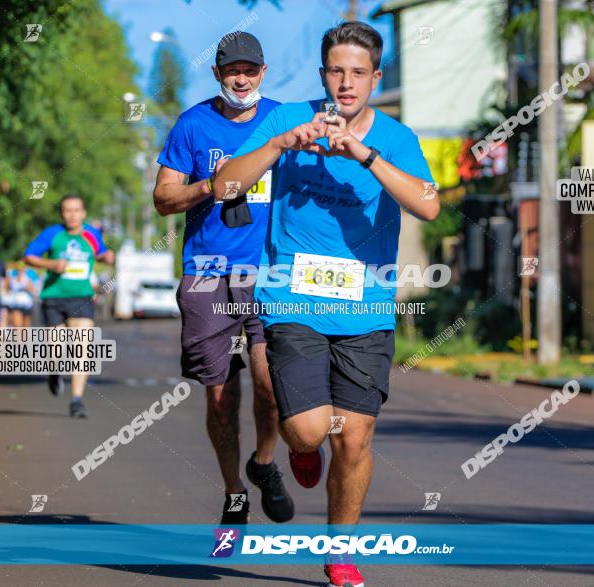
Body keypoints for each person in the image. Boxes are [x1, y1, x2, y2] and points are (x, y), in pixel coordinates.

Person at [214, 21, 439, 587]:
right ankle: (299, 447)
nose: (346, 82)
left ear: (375, 77)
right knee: (312, 432)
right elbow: (224, 186)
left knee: (356, 438)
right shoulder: (289, 119)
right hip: (293, 299)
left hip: (366, 310)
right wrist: (278, 144)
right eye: (336, 71)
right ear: (323, 75)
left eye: (358, 73)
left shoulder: (396, 137)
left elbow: (429, 206)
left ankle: (342, 553)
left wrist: (363, 155)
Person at [153, 31, 296, 526]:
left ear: (263, 72)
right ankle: (234, 490)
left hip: (270, 273)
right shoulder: (192, 125)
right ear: (216, 73)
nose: (241, 78)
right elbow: (163, 198)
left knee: (271, 384)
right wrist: (212, 186)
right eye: (232, 70)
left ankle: (262, 463)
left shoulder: (284, 121)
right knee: (220, 395)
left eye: (250, 70)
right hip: (208, 273)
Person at [24, 194, 115, 418]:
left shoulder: (91, 234)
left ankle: (76, 400)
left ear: (83, 213)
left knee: (81, 349)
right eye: (67, 210)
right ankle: (54, 372)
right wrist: (51, 263)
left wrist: (108, 257)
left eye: (76, 210)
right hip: (53, 298)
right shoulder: (52, 234)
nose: (72, 214)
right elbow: (29, 256)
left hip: (81, 297)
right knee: (55, 350)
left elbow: (101, 254)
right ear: (62, 214)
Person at [2, 260, 38, 327]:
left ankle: (24, 337)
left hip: (27, 304)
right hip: (16, 303)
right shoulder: (12, 274)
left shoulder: (30, 274)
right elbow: (6, 288)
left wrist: (29, 287)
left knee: (26, 326)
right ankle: (18, 337)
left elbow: (34, 290)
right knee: (17, 325)